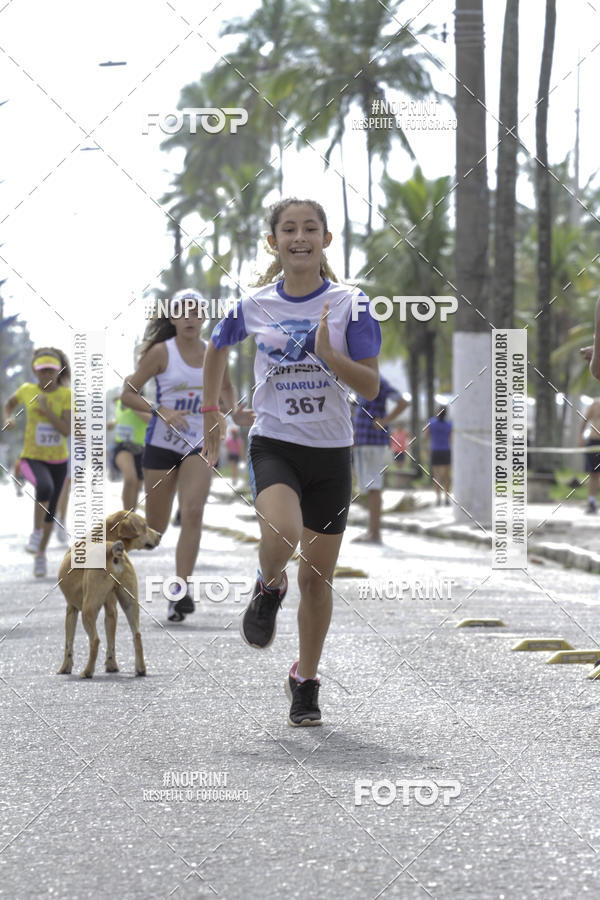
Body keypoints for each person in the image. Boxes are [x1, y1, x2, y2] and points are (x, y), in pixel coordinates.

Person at [201, 198, 381, 727]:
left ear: (326, 239)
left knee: (318, 580)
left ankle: (305, 679)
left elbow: (370, 386)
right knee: (280, 532)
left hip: (332, 451)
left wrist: (331, 355)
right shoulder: (254, 304)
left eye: (309, 228)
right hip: (275, 441)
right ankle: (268, 583)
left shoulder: (351, 304)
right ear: (273, 242)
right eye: (288, 229)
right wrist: (213, 412)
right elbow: (216, 346)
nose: (299, 237)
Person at [121, 288, 252, 623]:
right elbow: (128, 394)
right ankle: (111, 558)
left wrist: (235, 411)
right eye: (183, 312)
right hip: (162, 444)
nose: (190, 318)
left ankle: (179, 592)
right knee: (155, 530)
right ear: (173, 318)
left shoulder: (214, 350)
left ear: (204, 317)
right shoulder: (161, 352)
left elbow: (225, 388)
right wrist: (160, 409)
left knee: (193, 512)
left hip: (200, 442)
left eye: (196, 312)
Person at [2, 347, 71, 577]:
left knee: (51, 511)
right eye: (42, 371)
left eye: (50, 371)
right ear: (35, 372)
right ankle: (36, 533)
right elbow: (9, 404)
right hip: (32, 457)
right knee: (45, 487)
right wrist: (8, 418)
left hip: (59, 460)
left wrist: (46, 410)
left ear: (58, 372)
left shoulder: (66, 395)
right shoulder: (26, 390)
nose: (46, 375)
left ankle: (40, 554)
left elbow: (66, 430)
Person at [352, 377, 409, 543]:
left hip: (373, 441)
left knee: (374, 486)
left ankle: (375, 533)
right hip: (363, 441)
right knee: (369, 487)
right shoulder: (360, 380)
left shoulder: (377, 381)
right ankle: (372, 531)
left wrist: (385, 421)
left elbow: (403, 402)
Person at [108, 398, 151, 512]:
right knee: (130, 478)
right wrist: (113, 423)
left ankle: (131, 515)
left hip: (141, 449)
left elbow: (151, 420)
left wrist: (133, 406)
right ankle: (126, 515)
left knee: (136, 486)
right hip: (123, 446)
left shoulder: (145, 404)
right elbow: (122, 418)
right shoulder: (119, 403)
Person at [426, 406, 452, 506]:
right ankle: (447, 498)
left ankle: (438, 499)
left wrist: (426, 449)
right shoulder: (449, 424)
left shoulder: (431, 423)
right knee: (446, 476)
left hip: (435, 450)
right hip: (446, 450)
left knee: (436, 476)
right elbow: (451, 439)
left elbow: (425, 437)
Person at [578, 399, 600, 513]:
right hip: (594, 441)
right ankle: (591, 502)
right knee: (594, 474)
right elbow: (584, 421)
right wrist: (580, 437)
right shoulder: (596, 403)